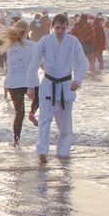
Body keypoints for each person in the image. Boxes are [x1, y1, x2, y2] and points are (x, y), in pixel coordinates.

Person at [34, 13, 89, 164]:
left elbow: (82, 63)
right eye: (57, 28)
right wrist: (30, 86)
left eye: (63, 28)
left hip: (66, 86)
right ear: (52, 26)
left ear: (67, 27)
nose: (60, 31)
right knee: (44, 121)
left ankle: (63, 153)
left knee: (65, 125)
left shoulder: (73, 41)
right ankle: (42, 152)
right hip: (48, 85)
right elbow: (34, 62)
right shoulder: (45, 41)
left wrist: (77, 80)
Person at [0, 20, 40, 145]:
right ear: (27, 32)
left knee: (19, 113)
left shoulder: (9, 45)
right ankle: (32, 112)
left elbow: (8, 66)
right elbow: (37, 63)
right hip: (29, 81)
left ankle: (16, 140)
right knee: (39, 97)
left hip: (13, 82)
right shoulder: (33, 45)